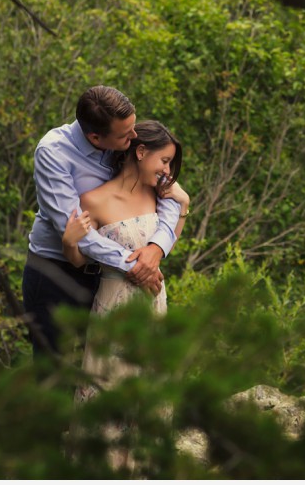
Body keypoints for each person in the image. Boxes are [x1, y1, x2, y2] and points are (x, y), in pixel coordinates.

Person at [60, 121, 189, 473]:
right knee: (107, 390)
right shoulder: (94, 200)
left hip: (154, 304)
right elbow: (80, 260)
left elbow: (166, 247)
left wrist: (183, 202)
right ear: (141, 152)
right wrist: (70, 240)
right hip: (114, 305)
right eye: (164, 161)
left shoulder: (159, 196)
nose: (167, 171)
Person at [22, 85, 187, 357]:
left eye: (133, 128)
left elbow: (167, 191)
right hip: (58, 270)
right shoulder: (54, 153)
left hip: (107, 275)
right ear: (96, 137)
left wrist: (155, 249)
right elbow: (77, 232)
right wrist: (137, 265)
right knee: (53, 368)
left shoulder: (124, 135)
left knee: (102, 363)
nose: (134, 136)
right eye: (126, 134)